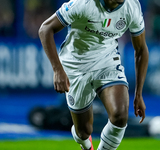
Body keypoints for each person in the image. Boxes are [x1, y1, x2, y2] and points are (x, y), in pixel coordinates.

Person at [38, 0, 149, 149]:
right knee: (83, 131)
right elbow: (45, 29)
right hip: (76, 66)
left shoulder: (131, 6)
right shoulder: (83, 3)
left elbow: (141, 49)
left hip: (107, 62)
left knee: (120, 116)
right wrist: (58, 70)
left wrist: (138, 94)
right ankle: (84, 141)